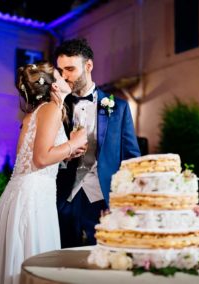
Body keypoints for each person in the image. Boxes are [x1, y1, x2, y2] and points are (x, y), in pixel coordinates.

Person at [0, 62, 87, 284]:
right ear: (53, 86)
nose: (65, 77)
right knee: (34, 264)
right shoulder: (50, 110)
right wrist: (75, 143)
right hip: (34, 197)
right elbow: (41, 158)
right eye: (59, 75)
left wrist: (66, 153)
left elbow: (32, 157)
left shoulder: (37, 113)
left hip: (21, 192)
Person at [55, 38, 141, 248]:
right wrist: (65, 155)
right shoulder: (56, 107)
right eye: (60, 70)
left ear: (89, 66)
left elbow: (131, 159)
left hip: (103, 199)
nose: (64, 76)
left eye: (70, 69)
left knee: (103, 260)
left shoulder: (118, 107)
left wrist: (126, 201)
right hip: (65, 198)